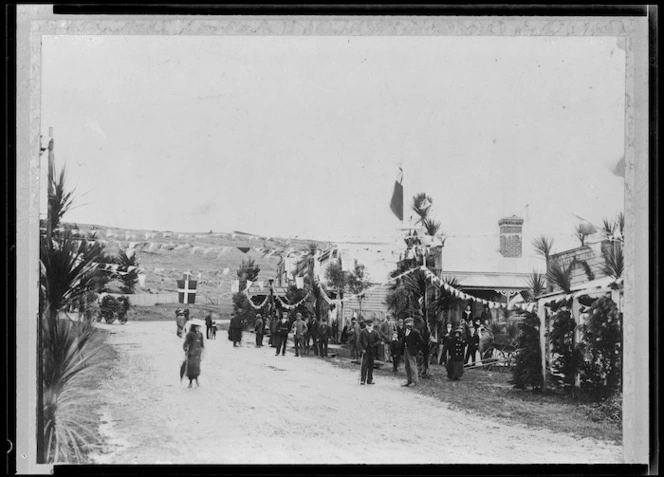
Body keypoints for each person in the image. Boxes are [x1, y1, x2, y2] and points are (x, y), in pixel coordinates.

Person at [401, 317, 425, 387]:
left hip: (412, 350)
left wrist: (417, 349)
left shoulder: (415, 332)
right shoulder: (405, 331)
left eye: (410, 322)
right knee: (407, 366)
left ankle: (414, 381)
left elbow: (421, 342)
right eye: (407, 323)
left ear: (412, 323)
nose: (408, 324)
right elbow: (403, 341)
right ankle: (409, 380)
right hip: (406, 350)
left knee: (412, 366)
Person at [183, 320, 205, 388]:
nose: (198, 328)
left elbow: (202, 344)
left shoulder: (200, 334)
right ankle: (190, 382)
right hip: (191, 353)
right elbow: (186, 343)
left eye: (199, 327)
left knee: (197, 367)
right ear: (194, 327)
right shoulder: (190, 334)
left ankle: (196, 379)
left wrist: (202, 350)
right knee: (191, 367)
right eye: (197, 327)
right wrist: (186, 349)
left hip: (198, 354)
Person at [358, 319, 381, 385]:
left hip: (372, 350)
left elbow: (379, 340)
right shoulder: (362, 332)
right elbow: (359, 342)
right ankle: (362, 380)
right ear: (366, 325)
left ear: (372, 325)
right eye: (368, 325)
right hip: (365, 351)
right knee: (364, 365)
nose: (369, 326)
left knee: (371, 365)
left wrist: (375, 344)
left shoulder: (375, 332)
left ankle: (370, 380)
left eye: (370, 325)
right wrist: (362, 349)